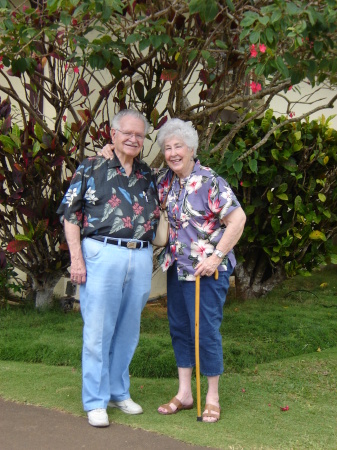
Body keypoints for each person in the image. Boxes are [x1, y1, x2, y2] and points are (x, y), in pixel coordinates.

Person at [101, 118, 246, 423]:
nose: (172, 152)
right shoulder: (165, 180)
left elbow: (238, 220)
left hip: (208, 271)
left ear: (191, 148)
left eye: (178, 146)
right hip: (176, 269)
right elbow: (134, 175)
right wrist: (110, 151)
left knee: (204, 331)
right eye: (167, 147)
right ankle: (184, 393)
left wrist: (216, 257)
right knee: (180, 330)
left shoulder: (211, 182)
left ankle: (212, 397)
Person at [57, 109, 159, 427]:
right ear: (113, 134)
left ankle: (118, 391)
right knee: (98, 331)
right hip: (101, 254)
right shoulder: (91, 167)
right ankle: (95, 400)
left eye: (139, 135)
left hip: (140, 256)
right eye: (127, 133)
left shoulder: (146, 174)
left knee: (128, 331)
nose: (133, 139)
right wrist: (76, 260)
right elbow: (70, 215)